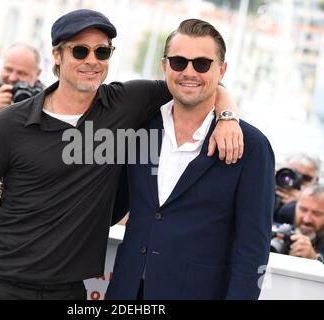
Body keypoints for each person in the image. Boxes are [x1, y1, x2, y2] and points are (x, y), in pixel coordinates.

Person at [0, 9, 243, 300]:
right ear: (57, 56)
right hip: (0, 284)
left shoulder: (125, 104)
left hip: (68, 291)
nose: (92, 61)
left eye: (102, 52)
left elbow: (194, 81)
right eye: (80, 51)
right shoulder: (10, 124)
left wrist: (228, 116)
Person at [105, 18, 275, 300]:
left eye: (202, 64)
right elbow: (113, 204)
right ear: (164, 66)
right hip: (126, 290)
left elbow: (253, 248)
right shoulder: (140, 129)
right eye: (179, 62)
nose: (189, 71)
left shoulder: (251, 146)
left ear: (222, 70)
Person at [273, 184, 324, 299]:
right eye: (303, 209)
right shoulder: (277, 233)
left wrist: (315, 261)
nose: (306, 219)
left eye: (317, 214)